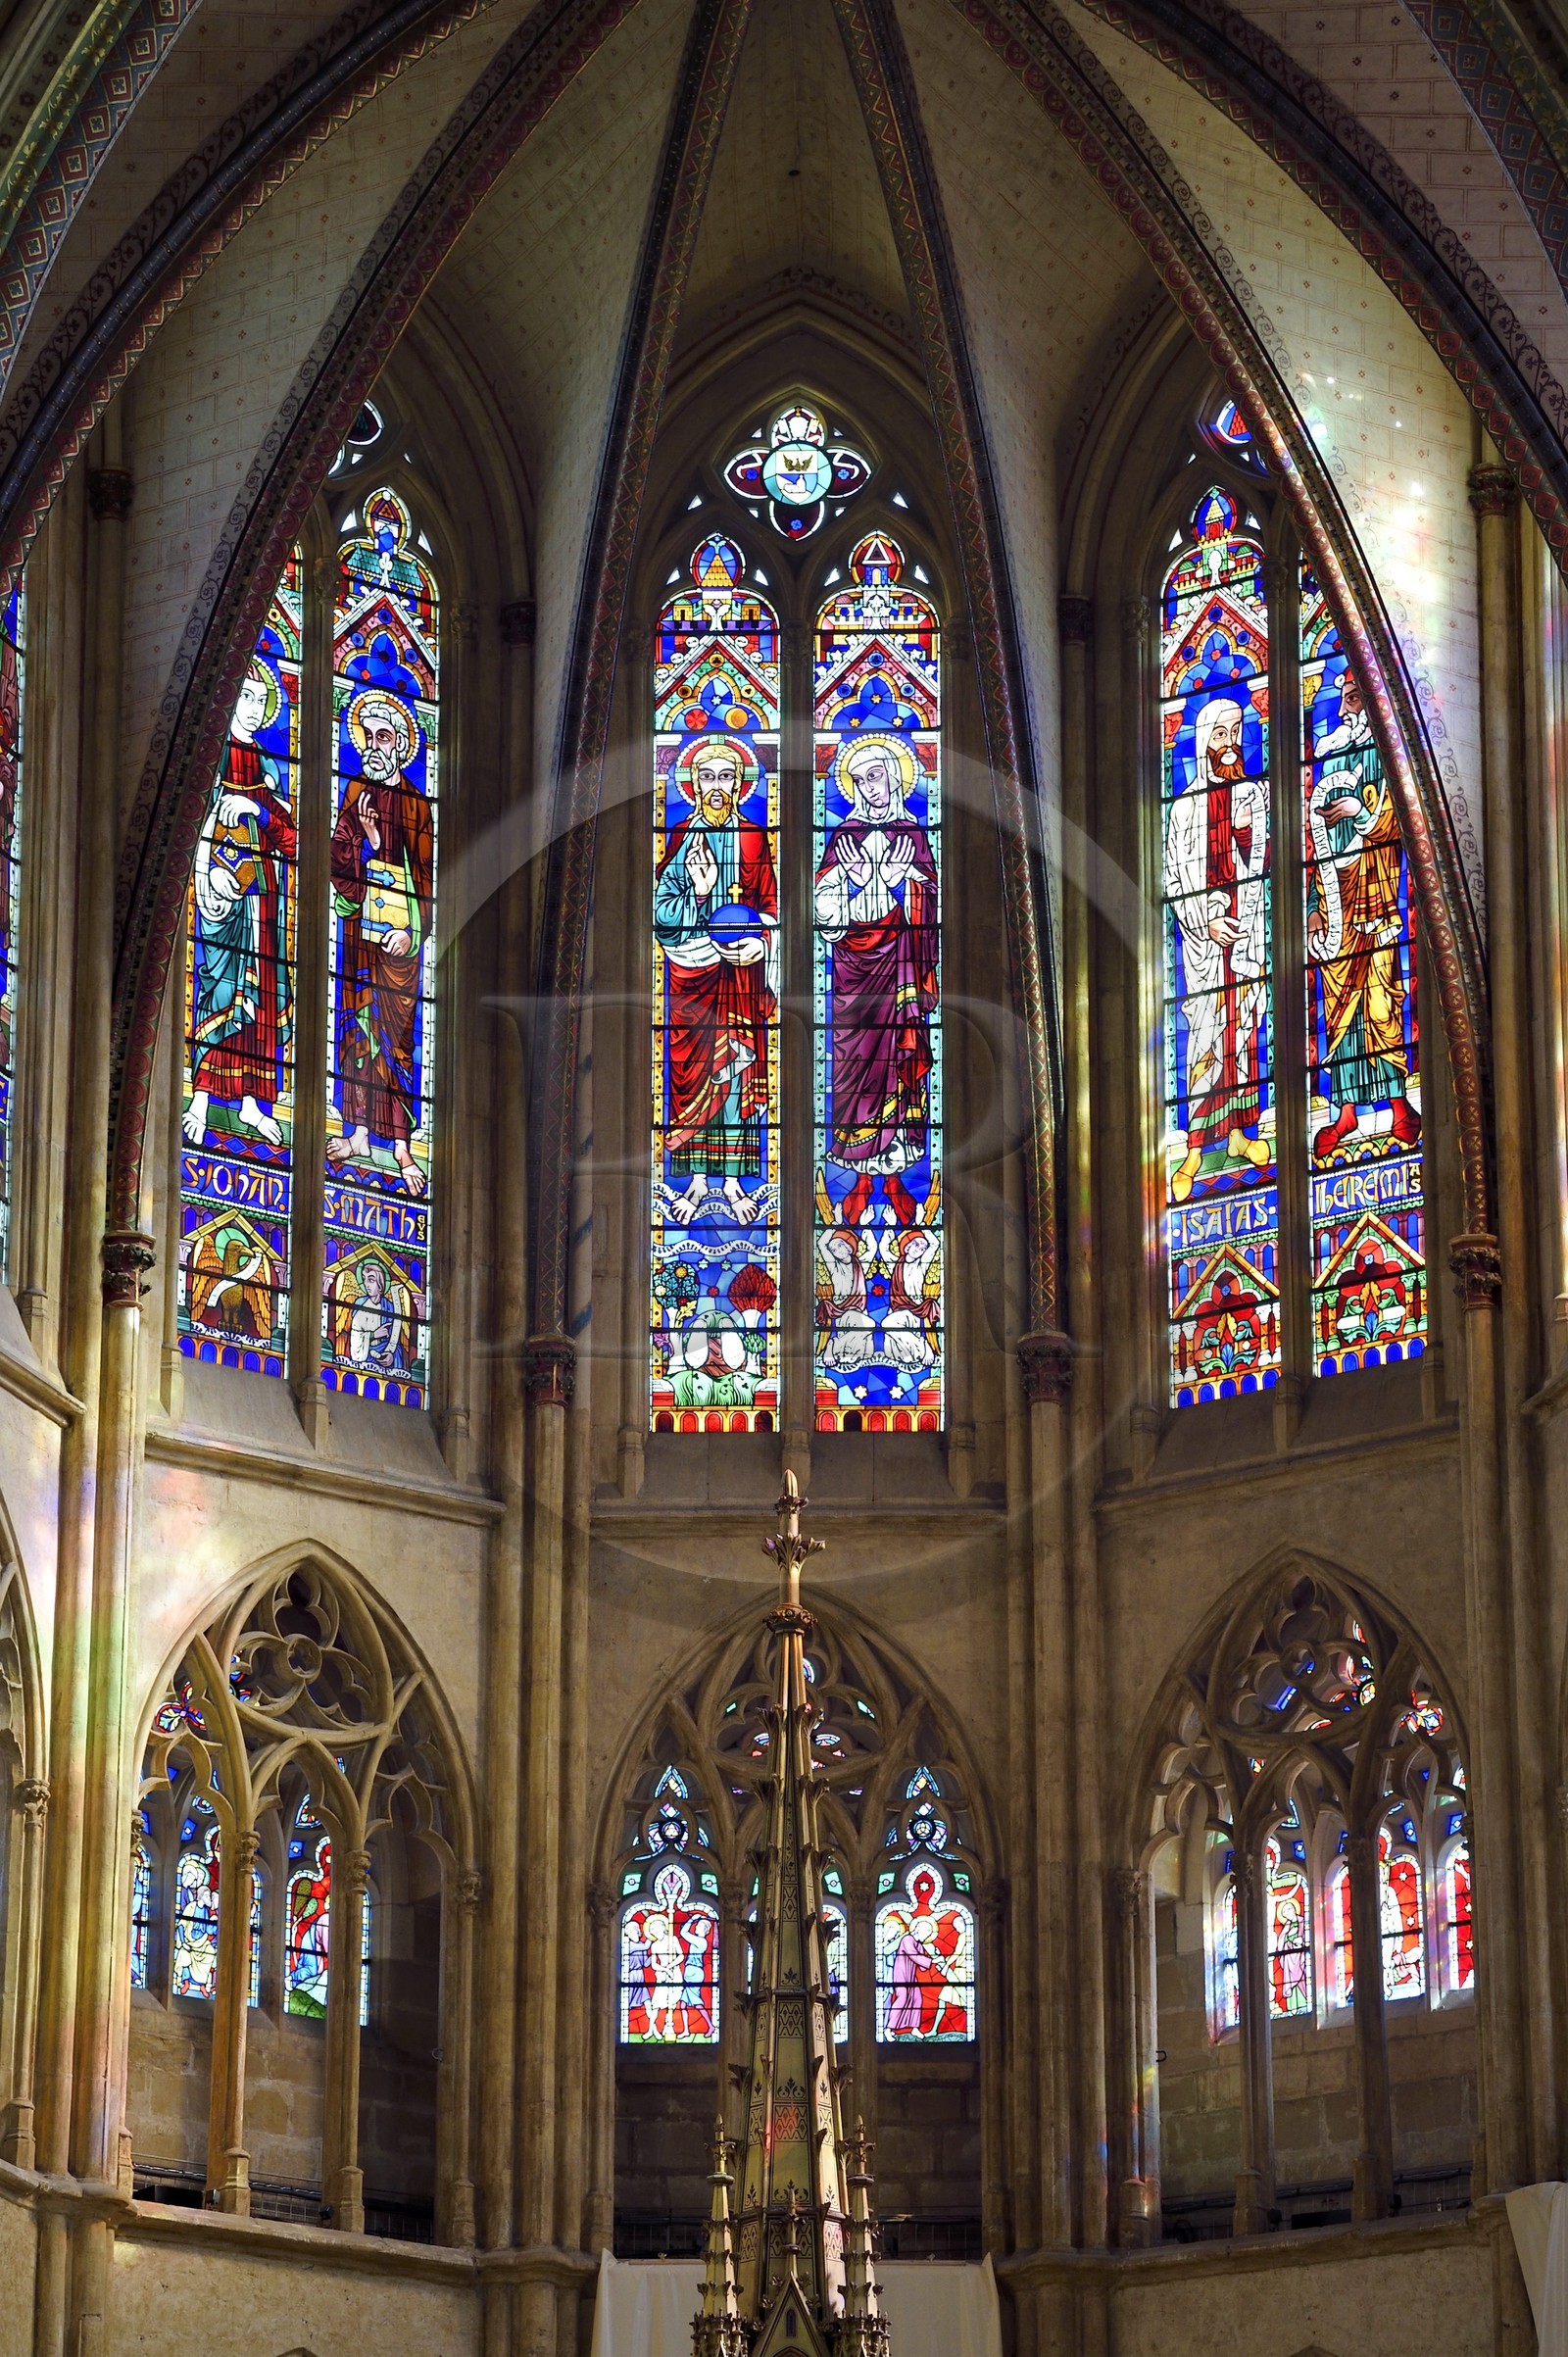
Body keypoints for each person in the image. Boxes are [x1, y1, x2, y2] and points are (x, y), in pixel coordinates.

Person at [813, 734, 938, 1225]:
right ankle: (860, 1171)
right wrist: (852, 887)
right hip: (853, 971)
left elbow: (931, 901)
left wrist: (901, 882)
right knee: (855, 1059)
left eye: (878, 775)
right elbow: (823, 911)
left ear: (895, 777)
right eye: (861, 779)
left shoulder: (913, 833)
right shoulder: (841, 837)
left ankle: (892, 1170)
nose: (872, 787)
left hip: (900, 964)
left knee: (897, 1056)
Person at [653, 736, 777, 1227]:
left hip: (741, 977)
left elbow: (771, 905)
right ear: (693, 784)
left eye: (727, 777)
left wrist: (761, 943)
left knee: (735, 1072)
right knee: (696, 1072)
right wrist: (698, 896)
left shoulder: (753, 837)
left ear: (741, 785)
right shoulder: (679, 835)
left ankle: (731, 1180)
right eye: (708, 777)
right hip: (690, 977)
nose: (718, 788)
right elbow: (660, 913)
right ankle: (697, 1180)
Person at [1305, 672, 1420, 1160]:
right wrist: (1314, 908)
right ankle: (1347, 1111)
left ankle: (1399, 1106)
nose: (1353, 706)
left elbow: (1404, 815)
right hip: (1336, 898)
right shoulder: (1331, 755)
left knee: (1381, 998)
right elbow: (1312, 839)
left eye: (1360, 697)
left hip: (1374, 891)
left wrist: (1362, 813)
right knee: (1339, 1008)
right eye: (1348, 698)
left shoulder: (1385, 752)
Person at [1163, 695, 1271, 1203]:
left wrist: (1251, 826)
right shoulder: (1184, 805)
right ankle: (1194, 1147)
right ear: (1205, 743)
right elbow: (1174, 872)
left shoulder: (1253, 793)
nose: (1229, 744)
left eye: (1235, 733)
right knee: (1205, 1035)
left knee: (1245, 1033)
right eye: (1220, 735)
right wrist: (1206, 920)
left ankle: (1238, 1134)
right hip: (1204, 940)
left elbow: (1263, 858)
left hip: (1245, 926)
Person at [184, 662, 296, 1149]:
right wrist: (209, 865)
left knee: (260, 999)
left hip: (262, 895)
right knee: (219, 988)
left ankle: (252, 1100)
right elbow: (184, 820)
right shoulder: (209, 757)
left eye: (258, 700)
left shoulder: (270, 769)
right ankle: (203, 1098)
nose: (249, 708)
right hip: (217, 892)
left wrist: (257, 808)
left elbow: (293, 840)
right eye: (242, 696)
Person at [328, 689, 434, 1198]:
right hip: (360, 939)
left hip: (401, 944)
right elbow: (336, 859)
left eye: (384, 736)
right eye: (367, 736)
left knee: (395, 1039)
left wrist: (412, 931)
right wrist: (364, 844)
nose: (374, 744)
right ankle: (359, 1133)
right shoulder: (354, 794)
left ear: (402, 744)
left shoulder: (416, 804)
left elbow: (430, 874)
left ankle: (401, 1146)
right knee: (355, 1031)